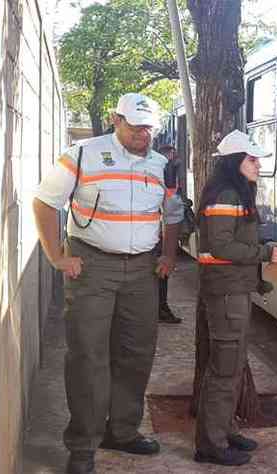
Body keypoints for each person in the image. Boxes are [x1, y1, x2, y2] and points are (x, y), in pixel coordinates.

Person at [32, 93, 184, 474]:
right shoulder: (82, 154)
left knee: (136, 353)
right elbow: (44, 202)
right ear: (116, 119)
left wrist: (168, 254)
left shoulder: (161, 163)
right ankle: (82, 448)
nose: (143, 134)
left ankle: (122, 430)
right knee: (88, 356)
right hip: (92, 266)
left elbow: (174, 210)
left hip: (142, 272)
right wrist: (56, 256)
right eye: (135, 127)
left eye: (148, 128)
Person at [194, 130, 277, 466]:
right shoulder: (226, 195)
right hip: (226, 293)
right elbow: (221, 246)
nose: (259, 165)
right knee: (224, 368)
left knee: (229, 365)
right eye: (252, 159)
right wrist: (266, 253)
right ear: (236, 161)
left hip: (232, 289)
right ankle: (211, 444)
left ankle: (222, 430)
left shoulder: (235, 192)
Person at [156, 143, 183, 324]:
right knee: (160, 274)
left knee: (160, 274)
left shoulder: (163, 166)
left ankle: (161, 308)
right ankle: (161, 309)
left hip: (159, 229)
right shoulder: (164, 167)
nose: (172, 155)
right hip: (158, 229)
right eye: (170, 152)